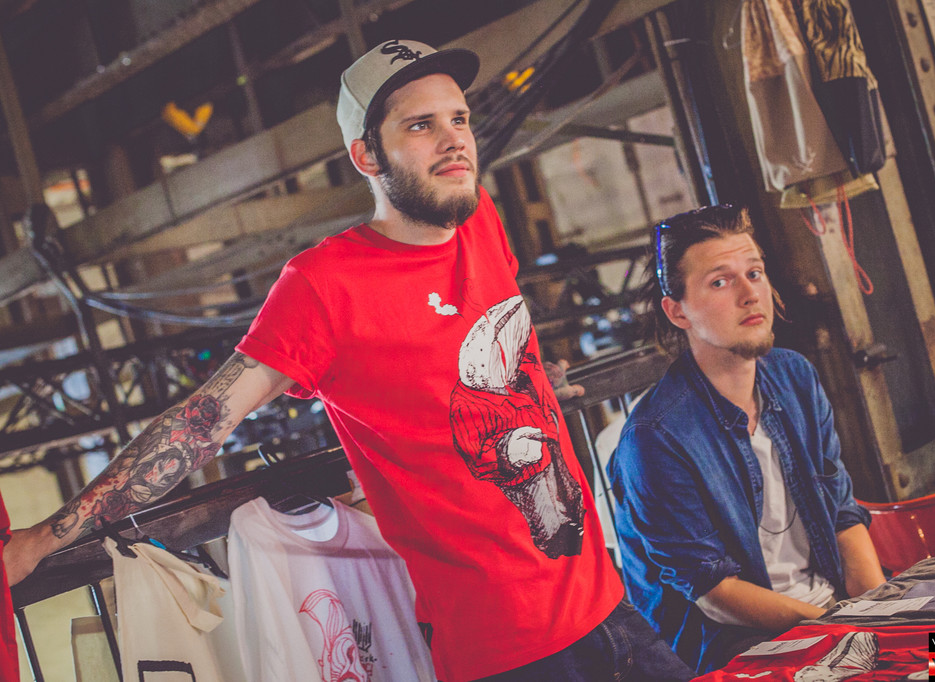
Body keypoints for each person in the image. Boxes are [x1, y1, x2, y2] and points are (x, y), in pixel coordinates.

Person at [7, 40, 695, 681]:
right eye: (421, 125)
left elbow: (486, 352)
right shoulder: (323, 286)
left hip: (607, 601)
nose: (454, 138)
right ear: (366, 155)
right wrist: (44, 538)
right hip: (510, 650)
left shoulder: (478, 219)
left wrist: (538, 390)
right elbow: (202, 421)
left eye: (459, 118)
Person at [607, 205, 885, 674]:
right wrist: (838, 630)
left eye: (754, 273)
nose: (750, 293)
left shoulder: (795, 376)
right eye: (720, 281)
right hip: (738, 644)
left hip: (834, 613)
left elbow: (842, 514)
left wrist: (882, 614)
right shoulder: (655, 437)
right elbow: (714, 593)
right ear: (677, 311)